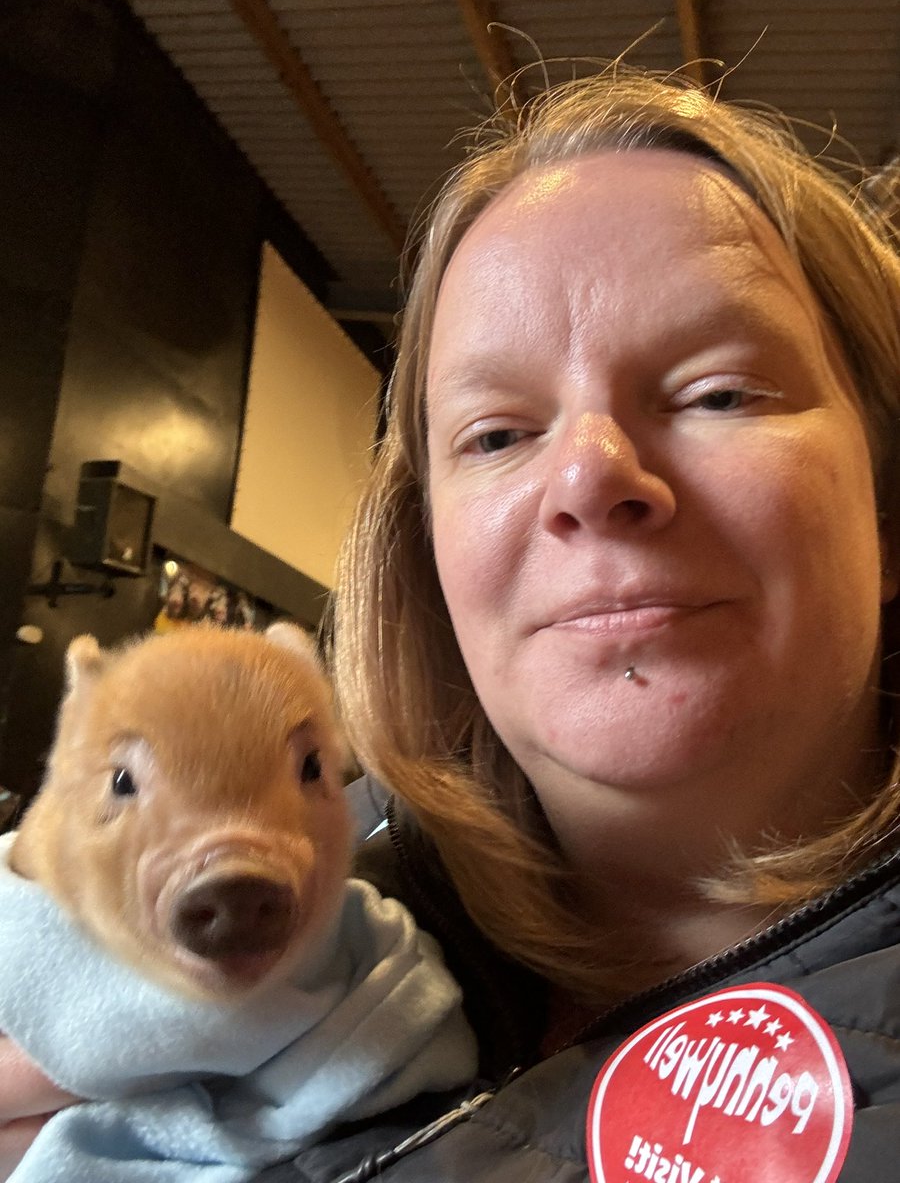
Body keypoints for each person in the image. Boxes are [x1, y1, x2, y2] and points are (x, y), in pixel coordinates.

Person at [4, 63, 900, 1181]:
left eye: (718, 391)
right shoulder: (296, 922)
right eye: (496, 434)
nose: (588, 473)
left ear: (890, 501)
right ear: (428, 558)